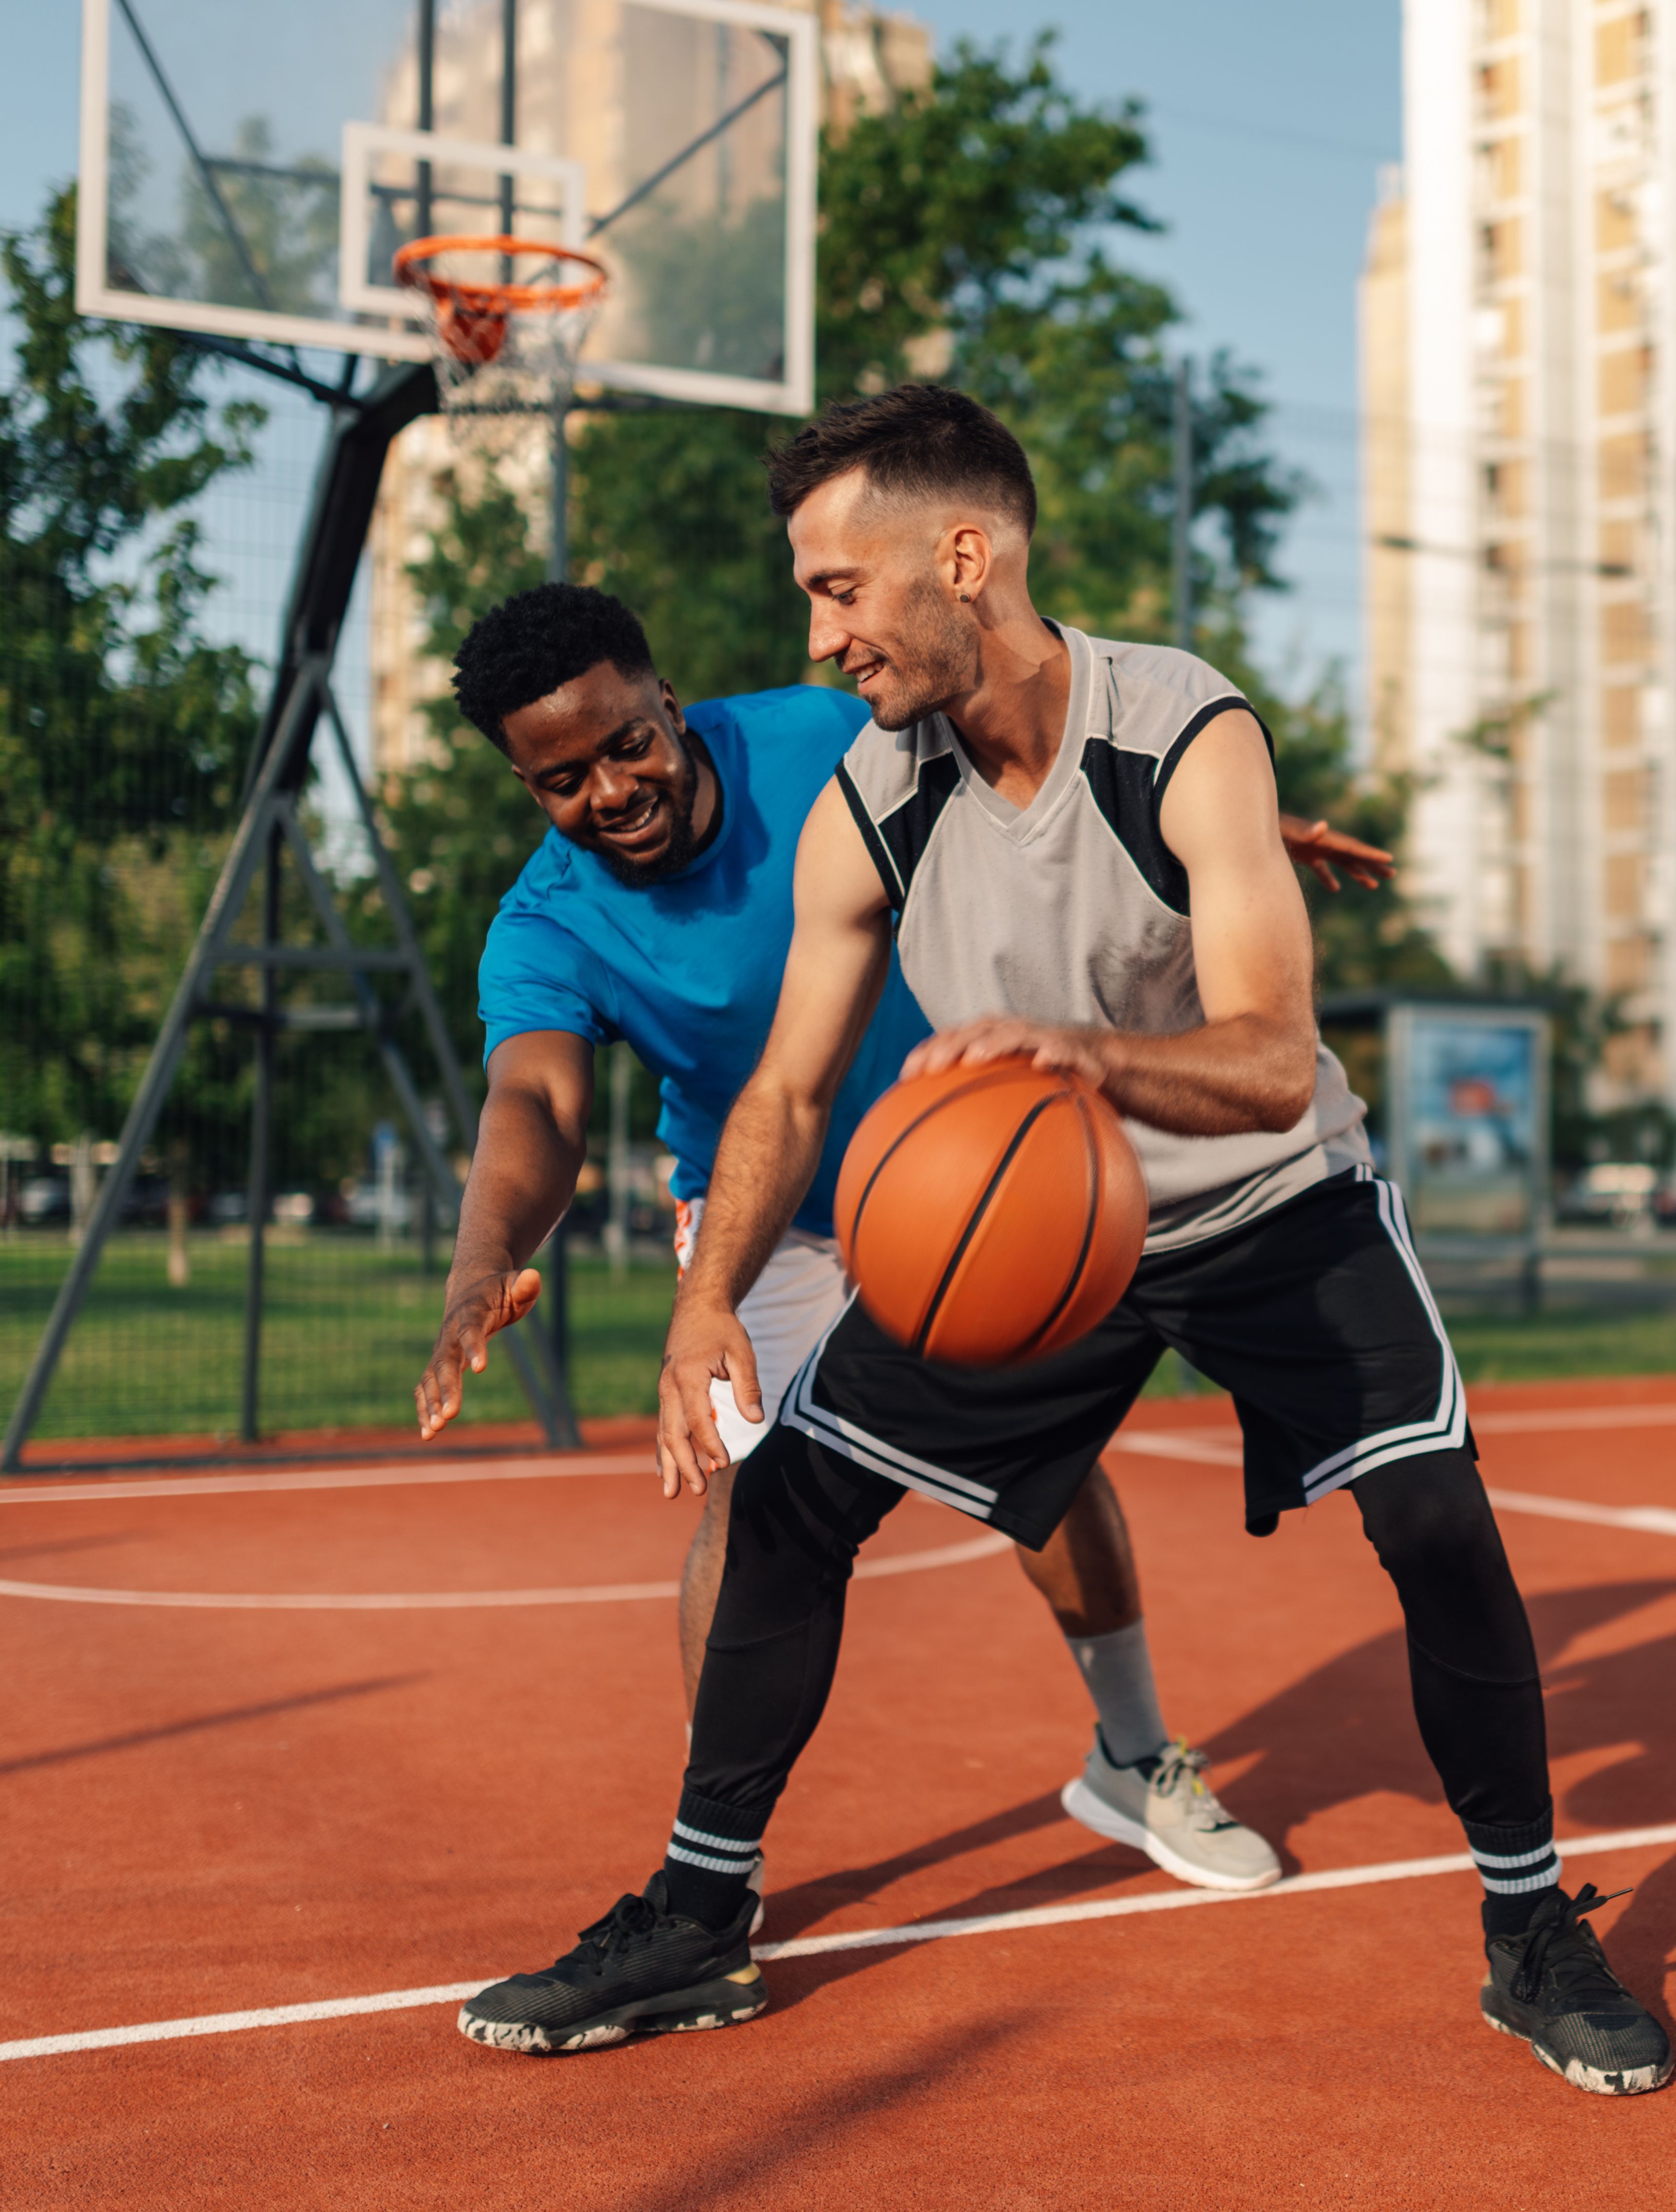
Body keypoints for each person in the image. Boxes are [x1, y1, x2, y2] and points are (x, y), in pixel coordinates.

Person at [457, 389, 1671, 2097]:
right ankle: (700, 1911)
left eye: (840, 588)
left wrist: (1074, 1055)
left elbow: (1264, 1060)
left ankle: (1533, 1930)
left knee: (1435, 1515)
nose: (823, 633)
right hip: (1049, 1226)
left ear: (964, 558)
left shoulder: (1181, 725)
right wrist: (707, 1303)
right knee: (789, 1504)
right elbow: (792, 1091)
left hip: (1268, 1205)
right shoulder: (873, 792)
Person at [412, 583, 1388, 1913]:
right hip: (764, 1213)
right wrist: (484, 1258)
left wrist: (1221, 825)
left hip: (960, 1169)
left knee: (1042, 1467)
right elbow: (535, 1103)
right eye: (562, 780)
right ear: (530, 789)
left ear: (670, 707)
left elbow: (1025, 789)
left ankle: (1134, 1755)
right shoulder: (547, 924)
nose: (612, 789)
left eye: (627, 743)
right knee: (746, 1503)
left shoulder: (821, 742)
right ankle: (717, 1864)